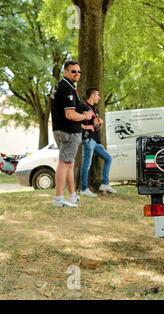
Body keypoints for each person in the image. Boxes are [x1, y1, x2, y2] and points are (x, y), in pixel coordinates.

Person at [50, 60, 93, 208]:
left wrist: (86, 109)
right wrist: (85, 117)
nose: (77, 74)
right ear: (65, 72)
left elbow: (76, 106)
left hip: (60, 130)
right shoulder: (66, 88)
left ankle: (72, 195)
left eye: (79, 71)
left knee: (69, 162)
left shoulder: (62, 86)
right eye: (73, 71)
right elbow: (70, 114)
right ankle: (58, 198)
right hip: (68, 131)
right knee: (65, 163)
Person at [79, 88, 117, 197]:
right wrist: (87, 126)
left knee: (108, 158)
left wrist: (99, 123)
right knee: (87, 164)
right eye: (98, 95)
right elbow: (77, 123)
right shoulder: (83, 107)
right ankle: (84, 188)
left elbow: (96, 125)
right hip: (88, 139)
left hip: (95, 141)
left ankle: (105, 184)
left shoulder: (95, 109)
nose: (99, 97)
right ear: (92, 95)